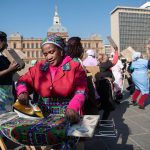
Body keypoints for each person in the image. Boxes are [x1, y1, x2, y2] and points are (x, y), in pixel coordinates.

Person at [16, 34, 88, 123]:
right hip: (42, 113)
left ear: (61, 51)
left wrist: (73, 107)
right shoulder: (40, 67)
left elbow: (81, 91)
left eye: (51, 52)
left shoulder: (74, 67)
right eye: (45, 54)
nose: (49, 57)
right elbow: (23, 80)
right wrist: (22, 92)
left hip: (68, 113)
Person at [66, 36, 99, 115]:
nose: (82, 49)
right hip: (78, 95)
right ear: (77, 48)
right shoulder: (76, 62)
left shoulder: (70, 60)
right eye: (80, 46)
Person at [0, 31, 20, 114]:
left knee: (8, 115)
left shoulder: (4, 58)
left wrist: (15, 68)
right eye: (5, 41)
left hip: (8, 91)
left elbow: (12, 70)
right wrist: (9, 70)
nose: (6, 43)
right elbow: (9, 70)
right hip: (1, 93)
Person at [96, 50, 118, 120]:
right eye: (106, 57)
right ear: (104, 58)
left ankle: (99, 118)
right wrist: (116, 52)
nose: (108, 57)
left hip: (100, 85)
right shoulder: (105, 64)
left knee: (102, 103)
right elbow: (114, 62)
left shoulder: (99, 65)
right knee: (107, 104)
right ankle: (103, 120)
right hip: (105, 86)